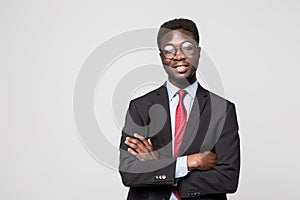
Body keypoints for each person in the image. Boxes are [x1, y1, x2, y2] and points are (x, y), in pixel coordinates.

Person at [119, 18, 240, 200]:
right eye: (169, 50)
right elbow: (129, 173)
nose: (178, 56)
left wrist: (159, 167)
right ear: (161, 56)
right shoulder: (140, 107)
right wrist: (190, 162)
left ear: (198, 53)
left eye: (187, 47)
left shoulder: (222, 110)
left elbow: (227, 178)